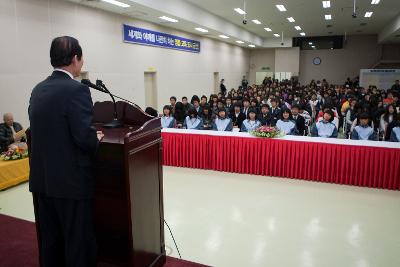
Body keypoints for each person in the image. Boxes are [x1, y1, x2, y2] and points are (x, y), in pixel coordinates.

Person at [28, 36, 103, 267]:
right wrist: (95, 138)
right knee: (77, 243)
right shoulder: (76, 90)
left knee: (51, 243)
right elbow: (84, 139)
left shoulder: (38, 89)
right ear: (75, 58)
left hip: (43, 182)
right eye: (81, 59)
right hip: (71, 184)